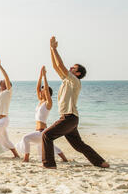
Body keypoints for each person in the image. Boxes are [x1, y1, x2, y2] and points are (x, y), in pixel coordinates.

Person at [42, 36, 110, 169]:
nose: (70, 68)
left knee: (46, 135)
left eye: (73, 68)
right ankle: (101, 163)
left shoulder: (75, 81)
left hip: (69, 117)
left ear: (77, 74)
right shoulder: (67, 80)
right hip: (71, 119)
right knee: (79, 145)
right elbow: (56, 66)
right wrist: (51, 49)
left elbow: (60, 65)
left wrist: (55, 49)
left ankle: (49, 164)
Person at [16, 66, 68, 163]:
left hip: (42, 131)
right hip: (38, 131)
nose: (41, 90)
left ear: (47, 92)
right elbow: (37, 87)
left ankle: (26, 158)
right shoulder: (40, 102)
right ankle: (64, 159)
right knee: (49, 145)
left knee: (25, 138)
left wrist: (45, 76)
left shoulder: (48, 103)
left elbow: (47, 92)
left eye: (43, 89)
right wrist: (40, 75)